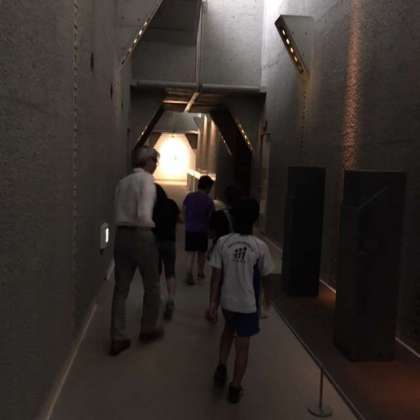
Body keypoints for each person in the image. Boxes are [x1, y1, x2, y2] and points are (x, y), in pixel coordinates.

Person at [207, 198, 273, 403]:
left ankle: (221, 366)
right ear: (255, 219)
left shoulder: (223, 242)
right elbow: (267, 278)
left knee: (228, 329)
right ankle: (235, 387)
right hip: (247, 305)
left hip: (227, 302)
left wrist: (212, 304)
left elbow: (216, 278)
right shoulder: (260, 247)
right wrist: (267, 302)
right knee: (243, 346)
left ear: (234, 218)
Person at [110, 146, 163, 356]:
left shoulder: (122, 182)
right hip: (141, 235)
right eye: (155, 160)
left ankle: (118, 337)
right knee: (152, 285)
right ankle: (147, 329)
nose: (156, 164)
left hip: (121, 235)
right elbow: (144, 213)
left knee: (121, 289)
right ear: (147, 161)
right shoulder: (147, 180)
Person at [153, 184, 180, 320]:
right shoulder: (172, 204)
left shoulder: (152, 206)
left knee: (155, 273)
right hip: (170, 242)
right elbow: (179, 220)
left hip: (155, 243)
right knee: (170, 272)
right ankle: (171, 299)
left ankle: (159, 299)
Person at [183, 175, 215, 285]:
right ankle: (200, 272)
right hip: (202, 230)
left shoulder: (189, 196)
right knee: (201, 253)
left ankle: (188, 272)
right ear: (207, 187)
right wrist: (210, 229)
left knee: (190, 253)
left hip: (190, 229)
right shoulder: (209, 201)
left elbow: (184, 210)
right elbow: (210, 217)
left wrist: (187, 221)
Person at [208, 185, 241, 258]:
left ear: (225, 198)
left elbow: (210, 234)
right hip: (238, 248)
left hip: (220, 247)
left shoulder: (217, 215)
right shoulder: (243, 215)